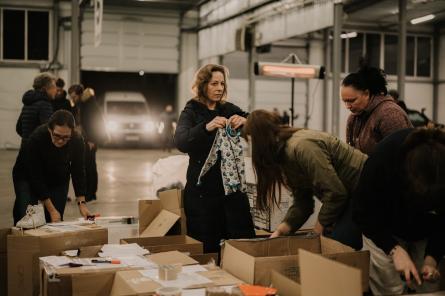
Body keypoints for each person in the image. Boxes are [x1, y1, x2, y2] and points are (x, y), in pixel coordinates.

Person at [244, 110, 367, 250]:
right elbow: (303, 201)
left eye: (251, 141)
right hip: (349, 196)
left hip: (367, 191)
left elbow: (335, 193)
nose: (251, 149)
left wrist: (316, 232)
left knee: (338, 244)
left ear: (261, 138)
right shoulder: (283, 155)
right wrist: (280, 232)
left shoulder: (301, 146)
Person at [353, 128, 445, 295]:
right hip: (383, 224)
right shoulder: (383, 160)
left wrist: (432, 259)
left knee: (428, 287)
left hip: (426, 229)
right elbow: (363, 213)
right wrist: (393, 249)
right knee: (390, 288)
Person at [174, 64, 255, 253]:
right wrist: (206, 127)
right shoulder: (191, 110)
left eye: (222, 84)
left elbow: (255, 122)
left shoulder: (227, 108)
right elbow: (181, 141)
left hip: (230, 192)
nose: (219, 88)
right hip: (202, 194)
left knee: (240, 244)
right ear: (203, 85)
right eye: (214, 84)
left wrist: (246, 121)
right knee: (207, 248)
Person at [12, 110, 92, 224]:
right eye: (57, 135)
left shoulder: (77, 140)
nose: (60, 140)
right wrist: (51, 209)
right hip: (27, 175)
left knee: (55, 220)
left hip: (57, 176)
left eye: (66, 137)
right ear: (49, 129)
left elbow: (78, 171)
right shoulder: (37, 138)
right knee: (27, 218)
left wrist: (82, 204)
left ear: (72, 132)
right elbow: (36, 176)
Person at [341, 62, 412, 154]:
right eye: (344, 101)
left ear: (366, 93)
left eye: (352, 100)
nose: (347, 106)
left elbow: (401, 157)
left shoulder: (390, 115)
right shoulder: (353, 118)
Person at [68, 85, 105, 202]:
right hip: (86, 139)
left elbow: (94, 123)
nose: (72, 98)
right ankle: (89, 194)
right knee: (87, 166)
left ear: (79, 95)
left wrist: (92, 140)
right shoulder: (83, 104)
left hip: (90, 140)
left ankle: (91, 194)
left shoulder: (89, 104)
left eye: (73, 96)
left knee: (89, 167)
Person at [16, 72, 57, 143]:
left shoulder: (28, 102)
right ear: (45, 89)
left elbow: (19, 128)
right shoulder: (44, 104)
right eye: (54, 87)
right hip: (38, 150)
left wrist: (28, 139)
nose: (56, 90)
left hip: (25, 148)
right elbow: (47, 131)